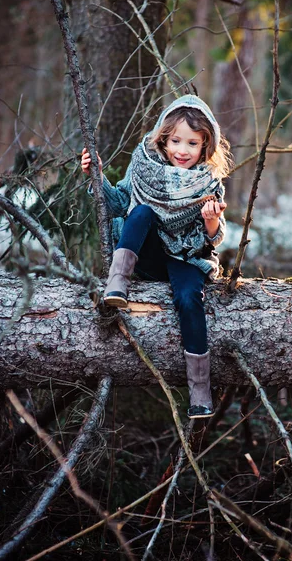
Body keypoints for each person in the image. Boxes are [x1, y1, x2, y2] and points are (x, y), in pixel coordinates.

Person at [81, 95, 232, 419]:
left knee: (190, 299)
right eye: (176, 140)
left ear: (205, 146)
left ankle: (200, 391)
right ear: (163, 139)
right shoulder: (144, 167)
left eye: (192, 143)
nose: (182, 150)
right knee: (142, 211)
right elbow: (118, 204)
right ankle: (116, 285)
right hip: (147, 255)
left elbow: (213, 238)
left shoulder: (208, 182)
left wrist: (210, 219)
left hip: (186, 257)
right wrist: (97, 176)